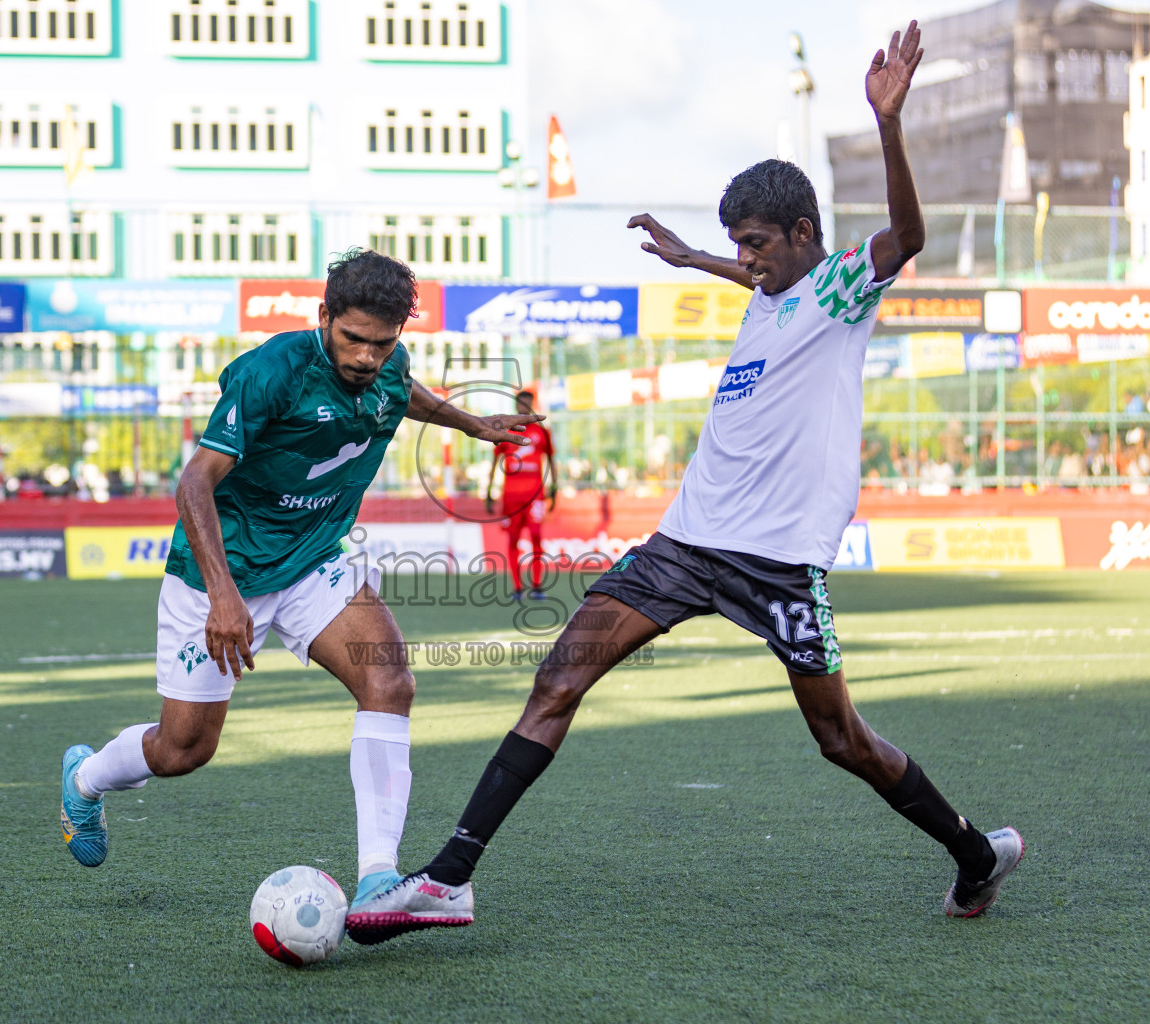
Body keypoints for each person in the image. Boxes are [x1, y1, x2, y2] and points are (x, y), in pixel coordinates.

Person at [355, 22, 1023, 941]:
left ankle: (973, 857)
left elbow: (906, 234)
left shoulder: (839, 290)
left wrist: (887, 125)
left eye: (755, 243)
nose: (745, 260)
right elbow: (758, 283)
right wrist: (690, 258)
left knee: (843, 741)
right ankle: (449, 879)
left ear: (800, 234)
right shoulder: (770, 291)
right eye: (735, 247)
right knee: (560, 677)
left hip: (781, 564)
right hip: (684, 545)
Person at [57, 250, 542, 944]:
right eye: (353, 340)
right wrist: (225, 597)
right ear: (324, 318)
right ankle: (87, 779)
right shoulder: (271, 371)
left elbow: (404, 393)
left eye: (383, 342)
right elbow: (195, 482)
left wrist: (470, 424)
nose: (368, 357)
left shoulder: (388, 366)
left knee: (390, 680)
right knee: (183, 749)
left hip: (318, 559)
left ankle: (380, 879)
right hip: (224, 571)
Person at [484, 388, 556, 601]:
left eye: (528, 404)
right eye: (521, 404)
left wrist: (555, 487)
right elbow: (495, 461)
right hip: (511, 497)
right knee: (513, 539)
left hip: (535, 496)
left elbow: (551, 459)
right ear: (516, 405)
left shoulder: (542, 432)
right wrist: (489, 491)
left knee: (536, 536)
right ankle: (517, 587)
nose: (524, 408)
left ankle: (537, 585)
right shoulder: (506, 431)